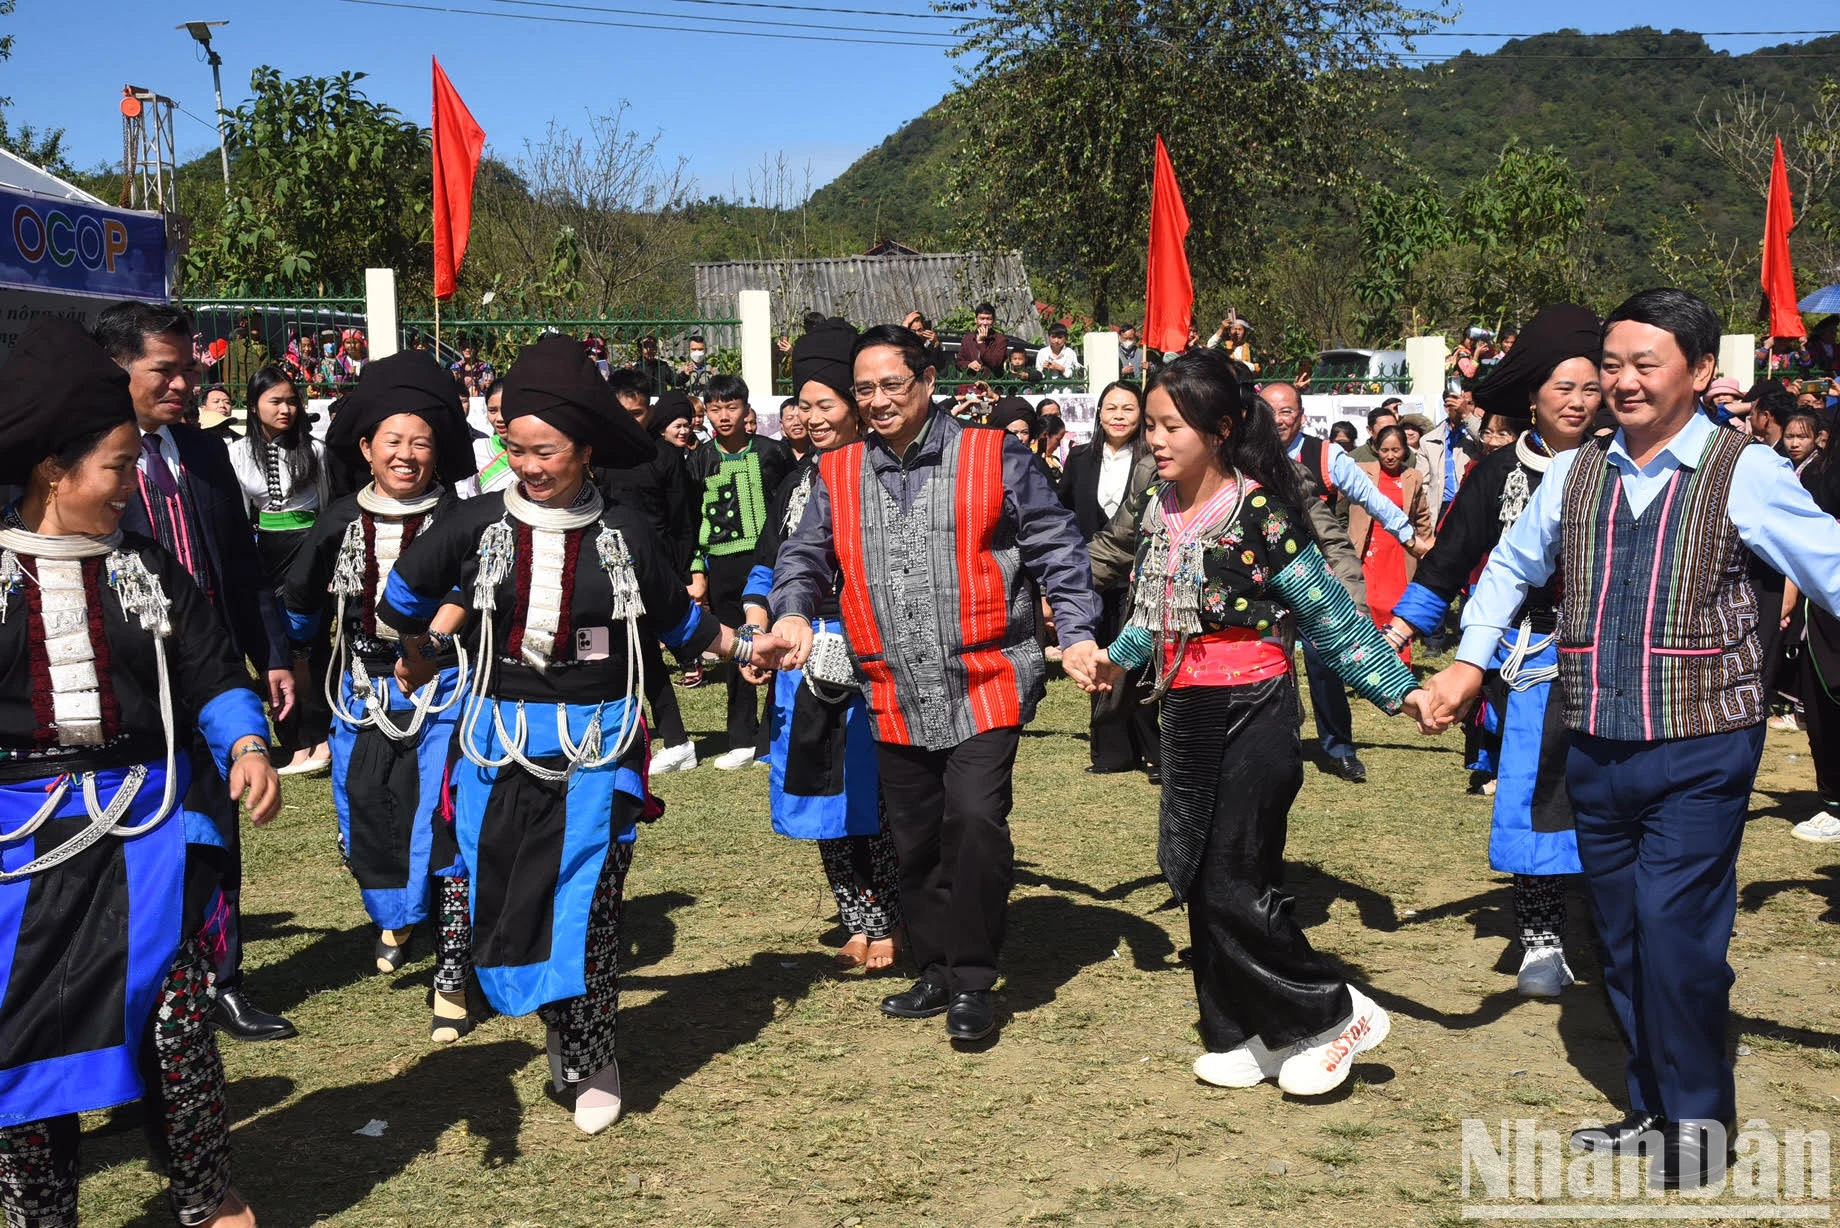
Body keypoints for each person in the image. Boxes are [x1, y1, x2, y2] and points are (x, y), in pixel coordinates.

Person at [1421, 288, 1840, 1188]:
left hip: (1703, 741)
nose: (1621, 382)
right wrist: (1468, 662)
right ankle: (1652, 1105)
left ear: (1696, 370)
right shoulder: (1578, 473)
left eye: (1644, 364)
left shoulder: (1748, 472)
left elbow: (1832, 567)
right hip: (1596, 738)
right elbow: (1510, 567)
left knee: (1675, 931)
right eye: (1611, 364)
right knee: (1618, 931)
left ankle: (1697, 1124)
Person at [380, 335, 788, 1134]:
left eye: (546, 451)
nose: (528, 466)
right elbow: (399, 597)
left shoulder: (627, 533)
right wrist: (425, 645)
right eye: (515, 449)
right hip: (499, 744)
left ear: (586, 450)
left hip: (600, 747)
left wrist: (745, 651)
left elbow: (682, 623)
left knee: (591, 905)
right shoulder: (471, 524)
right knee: (510, 897)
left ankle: (591, 1050)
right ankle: (545, 1019)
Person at [1075, 348, 1434, 1097]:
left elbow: (1327, 613)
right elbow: (1152, 612)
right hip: (1187, 707)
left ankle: (1331, 1014)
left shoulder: (1261, 507)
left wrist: (1398, 691)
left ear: (1222, 428)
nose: (1157, 441)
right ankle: (1246, 1030)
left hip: (1256, 707)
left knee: (1236, 876)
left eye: (1172, 426)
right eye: (1150, 426)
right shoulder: (1159, 507)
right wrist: (1115, 659)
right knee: (1195, 873)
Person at [0, 318, 278, 1228]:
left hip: (149, 828)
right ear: (54, 471)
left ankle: (207, 1196)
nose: (129, 486)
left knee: (179, 1023)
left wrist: (244, 745)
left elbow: (209, 670)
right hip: (21, 850)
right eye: (115, 469)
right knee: (30, 1046)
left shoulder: (144, 566)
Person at [768, 323, 1101, 1044]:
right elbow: (804, 556)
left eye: (892, 384)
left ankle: (975, 979)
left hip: (987, 677)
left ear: (926, 384)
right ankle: (938, 966)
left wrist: (1074, 631)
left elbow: (1054, 544)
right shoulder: (837, 473)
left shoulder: (995, 455)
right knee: (915, 837)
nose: (878, 400)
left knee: (974, 822)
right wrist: (793, 613)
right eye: (866, 389)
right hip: (889, 686)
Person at [93, 301, 297, 1043]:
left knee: (217, 829)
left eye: (191, 370)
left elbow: (241, 568)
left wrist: (270, 654)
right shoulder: (73, 465)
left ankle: (223, 981)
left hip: (211, 677)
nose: (183, 384)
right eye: (165, 371)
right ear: (117, 370)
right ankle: (132, 1001)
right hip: (129, 685)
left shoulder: (203, 452)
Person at [1389, 303, 1602, 996]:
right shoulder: (1496, 474)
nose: (1578, 400)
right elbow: (1448, 562)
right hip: (1531, 662)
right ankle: (1541, 939)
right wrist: (1401, 633)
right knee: (1538, 793)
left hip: (1621, 658)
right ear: (1533, 397)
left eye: (1591, 385)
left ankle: (1613, 926)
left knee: (1614, 794)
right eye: (1563, 387)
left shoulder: (1628, 464)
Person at [282, 351, 479, 1028]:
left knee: (448, 821)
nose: (406, 455)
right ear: (366, 448)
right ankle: (395, 918)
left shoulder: (466, 519)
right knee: (370, 810)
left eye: (421, 442)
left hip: (448, 693)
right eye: (393, 441)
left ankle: (453, 966)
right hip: (359, 695)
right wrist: (288, 661)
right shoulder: (339, 520)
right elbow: (301, 603)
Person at [741, 319, 904, 972]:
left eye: (823, 404)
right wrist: (761, 628)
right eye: (802, 404)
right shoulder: (796, 479)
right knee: (822, 798)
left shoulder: (884, 475)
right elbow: (766, 562)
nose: (809, 417)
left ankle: (891, 919)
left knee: (875, 795)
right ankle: (856, 919)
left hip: (871, 652)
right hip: (800, 658)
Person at [1266, 381, 1430, 783]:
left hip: (1317, 577)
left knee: (1326, 663)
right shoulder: (1244, 455)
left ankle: (1338, 747)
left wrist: (1406, 532)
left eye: (1286, 411)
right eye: (1269, 411)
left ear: (1301, 415)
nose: (1278, 420)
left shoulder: (1325, 455)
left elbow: (1371, 497)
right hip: (1262, 575)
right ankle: (1272, 745)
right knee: (1267, 662)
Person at [229, 365, 333, 778]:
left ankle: (320, 736)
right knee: (276, 645)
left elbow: (326, 508)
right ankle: (292, 739)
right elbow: (241, 514)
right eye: (276, 401)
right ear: (254, 406)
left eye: (292, 400)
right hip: (266, 552)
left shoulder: (317, 449)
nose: (286, 409)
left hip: (309, 548)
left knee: (311, 640)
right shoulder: (236, 453)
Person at [690, 375, 796, 770]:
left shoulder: (772, 452)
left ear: (746, 410)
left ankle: (773, 736)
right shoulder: (699, 459)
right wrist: (698, 568)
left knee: (779, 643)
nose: (723, 416)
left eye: (731, 407)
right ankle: (740, 736)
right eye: (714, 409)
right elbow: (690, 519)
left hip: (768, 561)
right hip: (722, 566)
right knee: (735, 647)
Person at [1060, 381, 1159, 777]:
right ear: (1099, 413)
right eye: (1111, 408)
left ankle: (1154, 750)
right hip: (1094, 574)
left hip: (1141, 576)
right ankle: (1111, 751)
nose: (1118, 416)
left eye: (1128, 408)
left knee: (1142, 662)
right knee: (1096, 659)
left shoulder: (1154, 459)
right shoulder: (1080, 458)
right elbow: (1062, 511)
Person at [1349, 425, 1433, 664]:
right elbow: (1342, 509)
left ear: (1405, 450)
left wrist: (1426, 547)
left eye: (1396, 449)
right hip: (1368, 550)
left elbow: (1422, 516)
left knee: (1397, 606)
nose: (1390, 455)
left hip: (1400, 552)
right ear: (1376, 449)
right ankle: (1366, 663)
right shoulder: (1360, 472)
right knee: (1369, 605)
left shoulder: (1413, 477)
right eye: (1384, 450)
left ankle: (1399, 664)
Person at [472, 381, 516, 495]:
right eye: (492, 410)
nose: (500, 418)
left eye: (506, 409)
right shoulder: (480, 450)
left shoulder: (539, 451)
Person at [954, 303, 1007, 377]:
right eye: (982, 319)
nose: (985, 323)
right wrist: (969, 364)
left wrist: (981, 343)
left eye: (988, 319)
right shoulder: (967, 339)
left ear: (993, 321)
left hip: (991, 385)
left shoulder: (1000, 340)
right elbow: (958, 362)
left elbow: (995, 362)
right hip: (970, 384)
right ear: (976, 320)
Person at [780, 395, 812, 461]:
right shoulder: (773, 451)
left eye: (800, 417)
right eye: (790, 418)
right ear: (781, 424)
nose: (796, 423)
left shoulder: (822, 452)